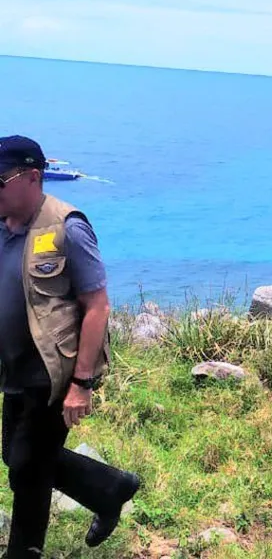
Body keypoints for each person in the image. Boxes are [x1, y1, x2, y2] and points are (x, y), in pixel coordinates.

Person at [0, 135, 140, 556]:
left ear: (33, 177)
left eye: (0, 180)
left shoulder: (67, 227)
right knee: (16, 455)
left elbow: (97, 306)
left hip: (54, 370)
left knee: (28, 469)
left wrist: (82, 383)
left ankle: (23, 552)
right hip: (13, 368)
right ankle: (111, 488)